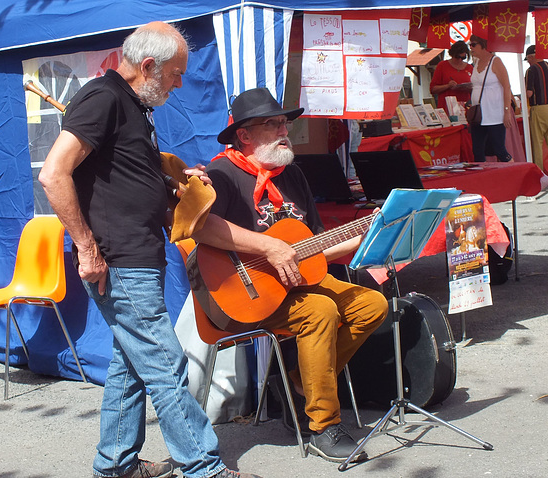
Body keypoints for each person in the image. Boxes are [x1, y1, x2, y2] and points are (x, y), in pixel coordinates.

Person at [39, 22, 260, 478]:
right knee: (164, 363)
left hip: (136, 255)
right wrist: (86, 249)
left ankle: (115, 465)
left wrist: (176, 180)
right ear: (147, 66)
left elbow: (124, 175)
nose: (179, 83)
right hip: (119, 259)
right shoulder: (103, 99)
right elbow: (53, 174)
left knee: (131, 365)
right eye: (176, 73)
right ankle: (202, 467)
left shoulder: (132, 106)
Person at [192, 88, 389, 463]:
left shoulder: (292, 175)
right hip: (243, 291)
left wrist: (357, 239)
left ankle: (300, 378)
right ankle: (323, 425)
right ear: (245, 135)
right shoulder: (221, 173)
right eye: (273, 124)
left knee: (371, 303)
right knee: (320, 312)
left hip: (296, 280)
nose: (285, 130)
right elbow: (200, 229)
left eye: (284, 122)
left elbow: (311, 247)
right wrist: (268, 248)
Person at [468, 35, 513, 163]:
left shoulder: (495, 61)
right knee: (477, 150)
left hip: (494, 114)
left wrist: (506, 111)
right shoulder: (476, 63)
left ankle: (514, 175)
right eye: (469, 45)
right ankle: (482, 178)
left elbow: (507, 86)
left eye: (473, 45)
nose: (471, 48)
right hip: (479, 114)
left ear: (483, 45)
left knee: (499, 150)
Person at [524, 45, 548, 184]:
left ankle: (540, 175)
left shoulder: (531, 70)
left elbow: (529, 93)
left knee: (537, 143)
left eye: (528, 59)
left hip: (538, 108)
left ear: (532, 56)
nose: (528, 62)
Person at [430, 40, 473, 114]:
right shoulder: (442, 66)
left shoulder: (469, 68)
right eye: (457, 57)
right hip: (447, 107)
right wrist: (447, 86)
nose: (460, 60)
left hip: (465, 107)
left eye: (463, 58)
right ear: (452, 54)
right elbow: (433, 89)